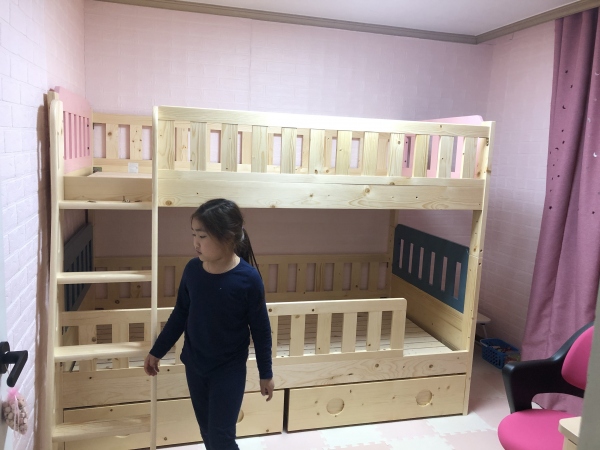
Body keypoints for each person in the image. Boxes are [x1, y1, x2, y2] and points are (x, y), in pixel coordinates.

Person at [144, 198, 274, 450]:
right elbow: (180, 314)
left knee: (221, 437)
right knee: (207, 432)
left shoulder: (248, 279)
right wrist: (157, 351)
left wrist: (265, 373)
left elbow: (261, 330)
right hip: (195, 365)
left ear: (228, 237)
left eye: (202, 236)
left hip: (228, 370)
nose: (196, 242)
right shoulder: (192, 270)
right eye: (193, 234)